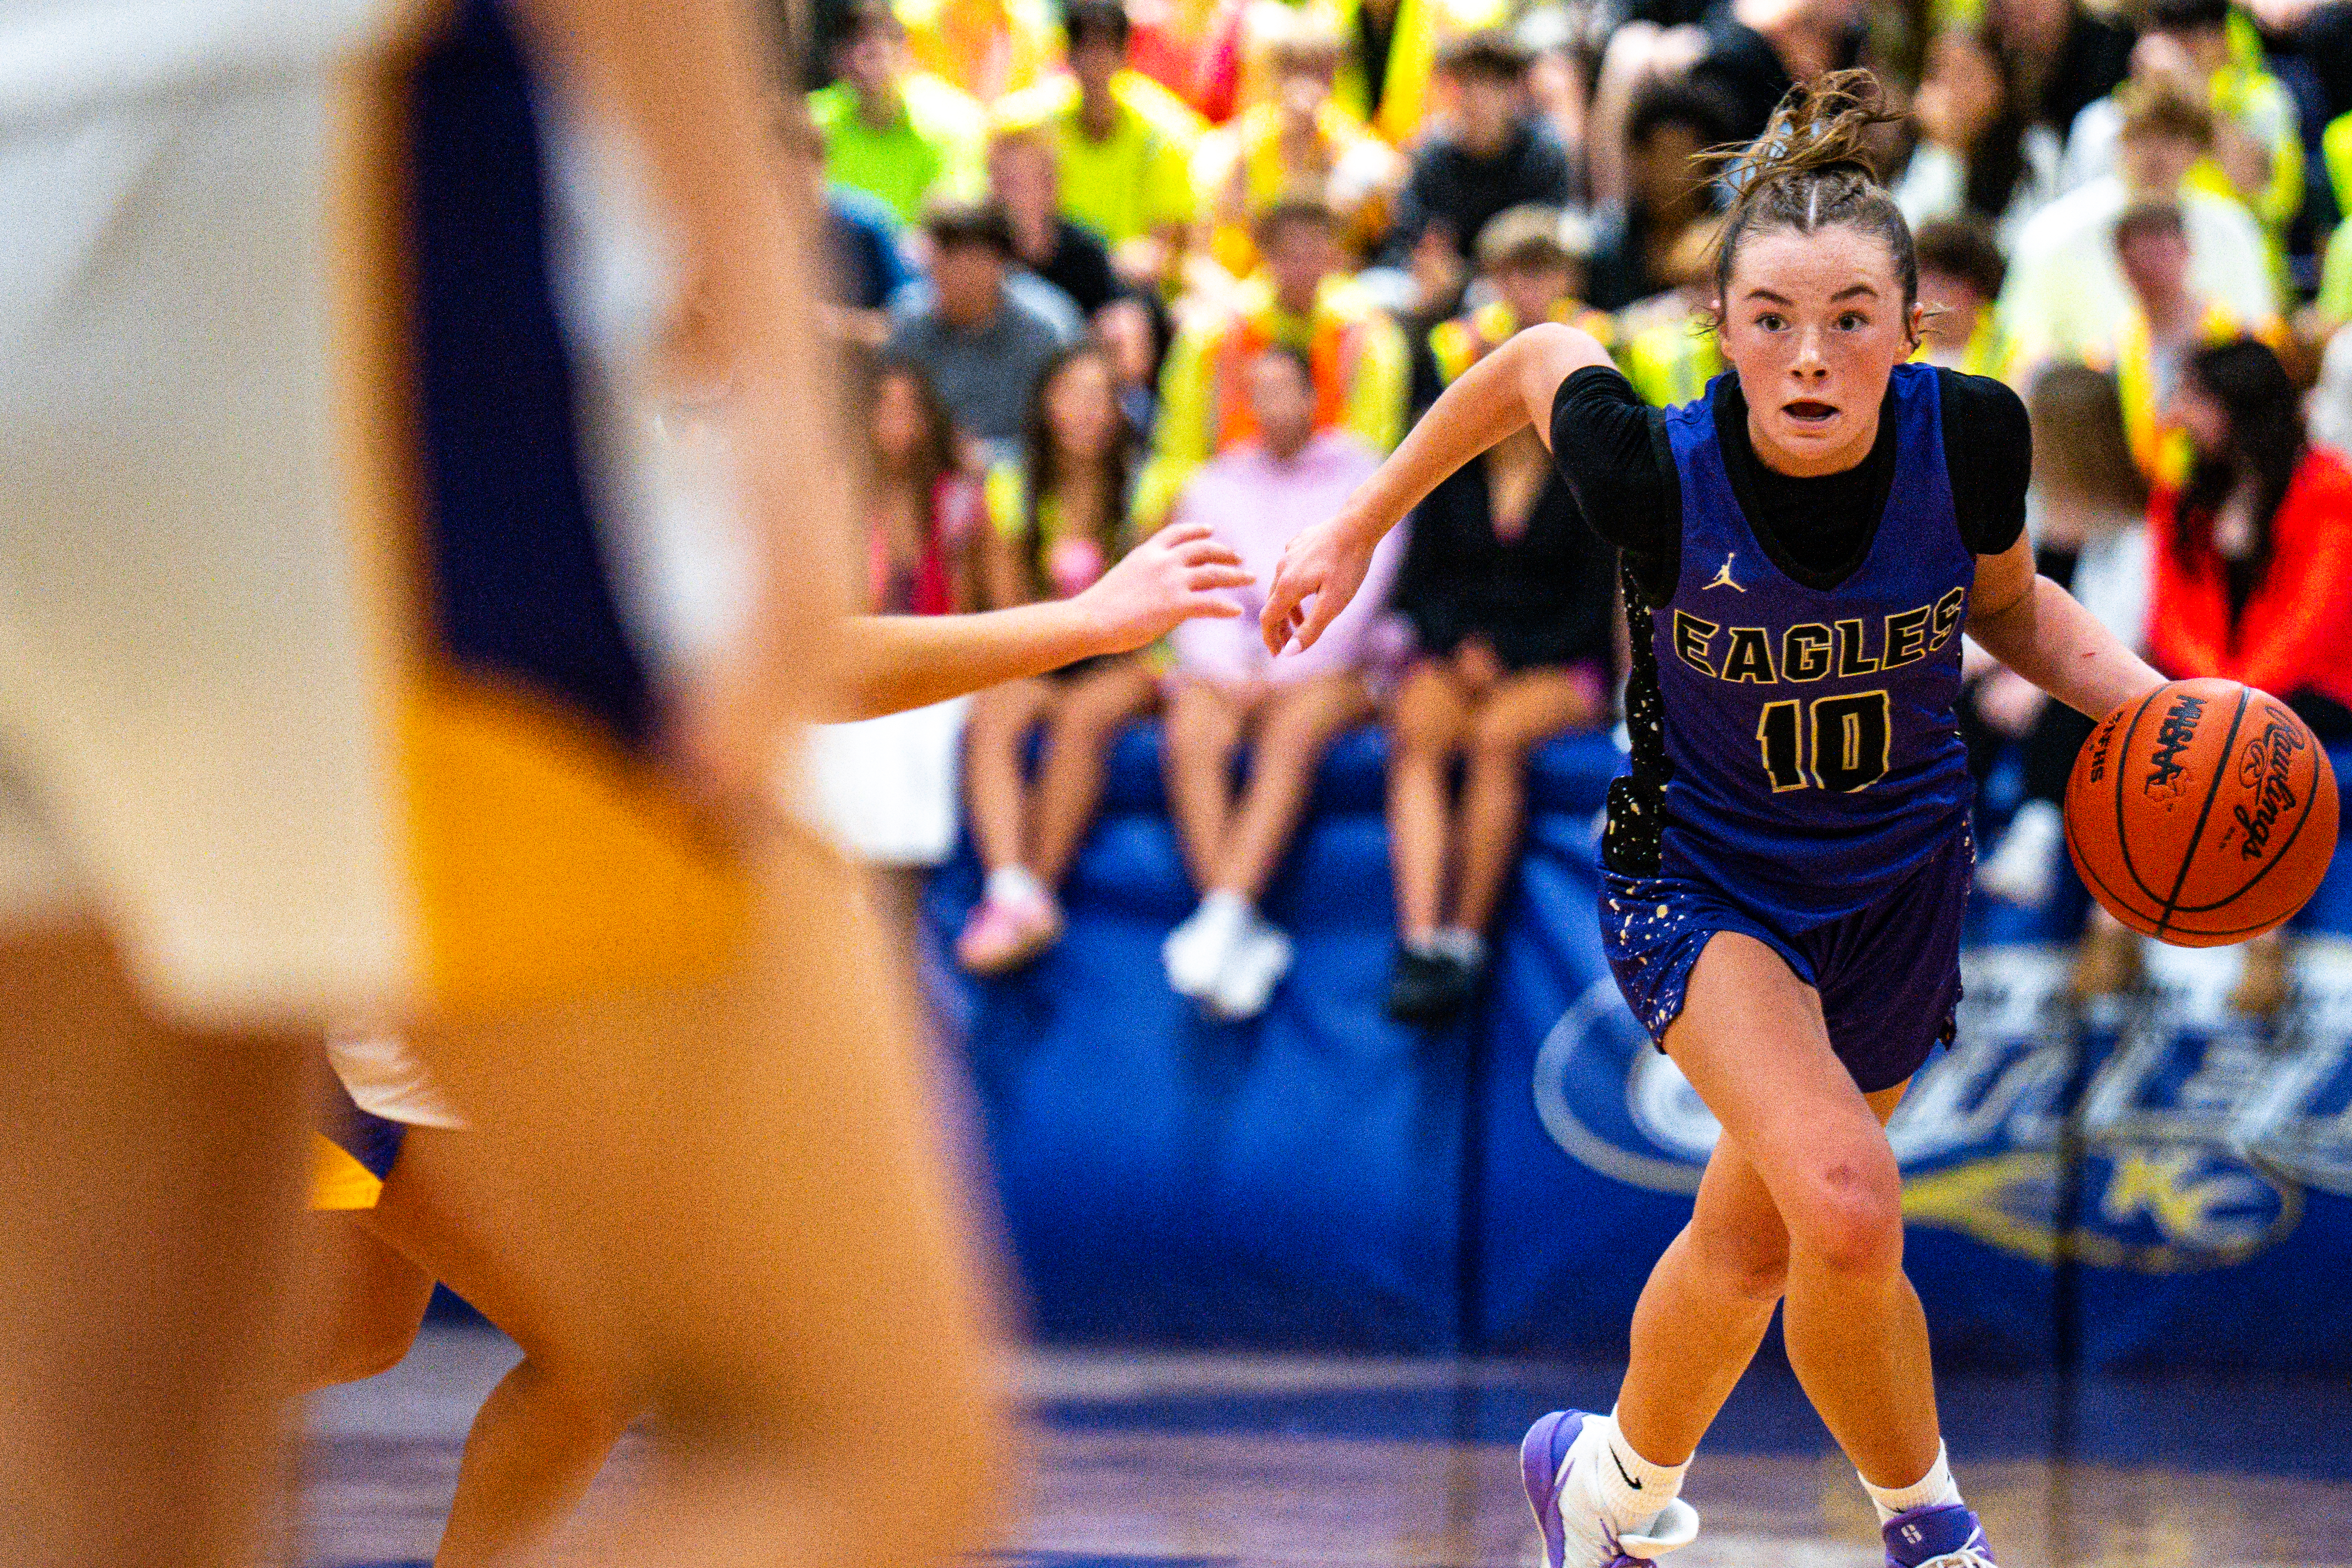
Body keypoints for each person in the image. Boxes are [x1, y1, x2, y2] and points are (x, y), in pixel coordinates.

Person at [1261, 70, 2169, 1568]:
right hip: (1700, 873)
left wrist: (2156, 708)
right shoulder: (1654, 470)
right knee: (1844, 1195)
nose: (1811, 356)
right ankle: (1934, 1533)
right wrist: (1355, 525)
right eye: (1771, 319)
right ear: (1724, 329)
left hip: (1897, 881)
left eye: (1851, 318)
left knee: (1758, 1238)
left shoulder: (1977, 441)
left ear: (1909, 329)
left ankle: (1607, 1487)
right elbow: (1536, 353)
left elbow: (2009, 612)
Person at [1385, 221, 1618, 1022]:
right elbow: (1418, 582)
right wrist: (1463, 648)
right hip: (1465, 648)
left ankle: (1466, 941)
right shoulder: (1450, 461)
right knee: (1418, 728)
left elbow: (1596, 600)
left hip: (1560, 658)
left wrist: (1508, 653)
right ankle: (1419, 939)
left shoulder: (1595, 453)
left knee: (1495, 740)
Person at [1161, 346, 1406, 1020]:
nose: (1271, 406)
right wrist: (1233, 667)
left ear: (1313, 396)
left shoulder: (1363, 475)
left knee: (1294, 728)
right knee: (1190, 728)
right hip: (1232, 664)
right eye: (1256, 392)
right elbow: (1197, 591)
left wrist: (1279, 664)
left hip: (1337, 664)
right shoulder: (1212, 482)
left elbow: (1359, 597)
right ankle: (1230, 919)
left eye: (1284, 390)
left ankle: (1223, 919)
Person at [2147, 336, 2352, 1012]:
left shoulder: (2329, 488)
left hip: (2321, 689)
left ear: (2238, 405)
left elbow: (2312, 623)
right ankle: (2117, 918)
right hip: (2220, 692)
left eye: (2192, 397)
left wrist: (2236, 699)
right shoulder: (2184, 495)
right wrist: (2219, 692)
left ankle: (2265, 932)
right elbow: (2172, 620)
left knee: (2261, 749)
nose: (2176, 413)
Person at [955, 346, 1165, 972]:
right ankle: (1008, 888)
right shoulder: (1010, 488)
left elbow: (1152, 616)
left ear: (1120, 411)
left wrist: (1097, 631)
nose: (1086, 412)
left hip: (1128, 657)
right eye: (1071, 394)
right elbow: (1007, 614)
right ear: (1046, 404)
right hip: (1040, 648)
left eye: (1101, 397)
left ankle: (1036, 891)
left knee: (1084, 718)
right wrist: (1072, 625)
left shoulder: (1151, 489)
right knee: (994, 713)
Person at [1964, 365, 2151, 915]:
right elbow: (1985, 609)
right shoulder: (2019, 508)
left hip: (2095, 679)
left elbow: (2123, 637)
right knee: (1947, 690)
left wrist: (2037, 683)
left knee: (2077, 705)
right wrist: (1986, 667)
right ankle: (1948, 832)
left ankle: (2037, 836)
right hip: (2013, 671)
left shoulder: (2135, 525)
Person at [1140, 198, 1410, 525]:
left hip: (1332, 508)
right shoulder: (1211, 335)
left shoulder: (1371, 336)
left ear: (1335, 257)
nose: (1301, 266)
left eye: (1314, 253)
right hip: (1234, 508)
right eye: (1288, 254)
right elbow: (1179, 450)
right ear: (1264, 256)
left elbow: (1373, 453)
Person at [1998, 77, 2276, 374]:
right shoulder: (2055, 232)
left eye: (2173, 139)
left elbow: (2254, 332)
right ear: (2120, 143)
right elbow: (2023, 342)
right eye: (2142, 136)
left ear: (2198, 151)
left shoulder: (2233, 229)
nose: (2156, 155)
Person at [992, 0, 1207, 294]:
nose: (1096, 60)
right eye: (1085, 46)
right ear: (1068, 54)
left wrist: (1105, 264)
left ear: (1125, 53)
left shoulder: (1166, 131)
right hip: (1045, 279)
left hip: (1125, 291)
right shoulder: (1024, 125)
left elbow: (1168, 248)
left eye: (1106, 46)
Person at [1189, 7, 1404, 284]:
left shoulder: (1353, 146)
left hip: (1330, 297)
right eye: (1293, 67)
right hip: (1250, 294)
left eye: (1318, 68)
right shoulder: (1239, 145)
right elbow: (1203, 246)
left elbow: (1390, 183)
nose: (1305, 81)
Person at [2057, 0, 2302, 241]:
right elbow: (2079, 218)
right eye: (2171, 33)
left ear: (2224, 41)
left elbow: (2270, 198)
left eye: (2197, 33)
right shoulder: (2103, 122)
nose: (2184, 50)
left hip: (2236, 264)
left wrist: (2196, 97)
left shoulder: (2262, 103)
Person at [2098, 200, 2286, 487]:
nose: (2150, 267)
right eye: (2136, 256)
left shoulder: (2239, 335)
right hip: (2151, 497)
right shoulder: (2115, 349)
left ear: (2187, 250)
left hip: (2226, 486)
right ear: (2121, 266)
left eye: (2161, 251)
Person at [1380, 31, 1578, 297]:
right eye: (1468, 84)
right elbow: (1400, 247)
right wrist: (1424, 267)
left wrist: (1464, 277)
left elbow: (1551, 250)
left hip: (1520, 296)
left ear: (1516, 92)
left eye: (1493, 85)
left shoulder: (1544, 155)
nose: (1479, 99)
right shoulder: (1432, 159)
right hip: (1435, 296)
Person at [886, 198, 1080, 453]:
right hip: (932, 477)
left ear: (1002, 263)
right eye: (948, 257)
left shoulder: (1048, 328)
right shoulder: (908, 322)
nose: (959, 274)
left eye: (972, 260)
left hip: (1028, 479)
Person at [808, 0, 989, 224]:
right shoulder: (815, 121)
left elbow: (957, 225)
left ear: (903, 48)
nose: (862, 65)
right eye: (850, 48)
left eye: (873, 52)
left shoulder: (955, 123)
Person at [1893, 28, 2062, 251]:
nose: (1949, 91)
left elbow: (2021, 249)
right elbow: (1911, 240)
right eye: (1938, 76)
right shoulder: (1917, 145)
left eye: (1964, 75)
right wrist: (1944, 152)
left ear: (1999, 85)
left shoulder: (2037, 149)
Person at [1585, 78, 1735, 312]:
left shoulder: (1739, 236)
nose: (1663, 170)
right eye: (1651, 155)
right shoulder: (1608, 247)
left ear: (1709, 164)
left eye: (1677, 155)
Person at [865, 358, 989, 614]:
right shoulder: (844, 502)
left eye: (906, 409)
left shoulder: (953, 499)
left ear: (926, 420)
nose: (895, 421)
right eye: (884, 408)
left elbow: (969, 604)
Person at [1912, 218, 2015, 380]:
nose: (1929, 293)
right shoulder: (1898, 355)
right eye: (1922, 278)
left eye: (1944, 282)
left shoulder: (2015, 354)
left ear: (1979, 289)